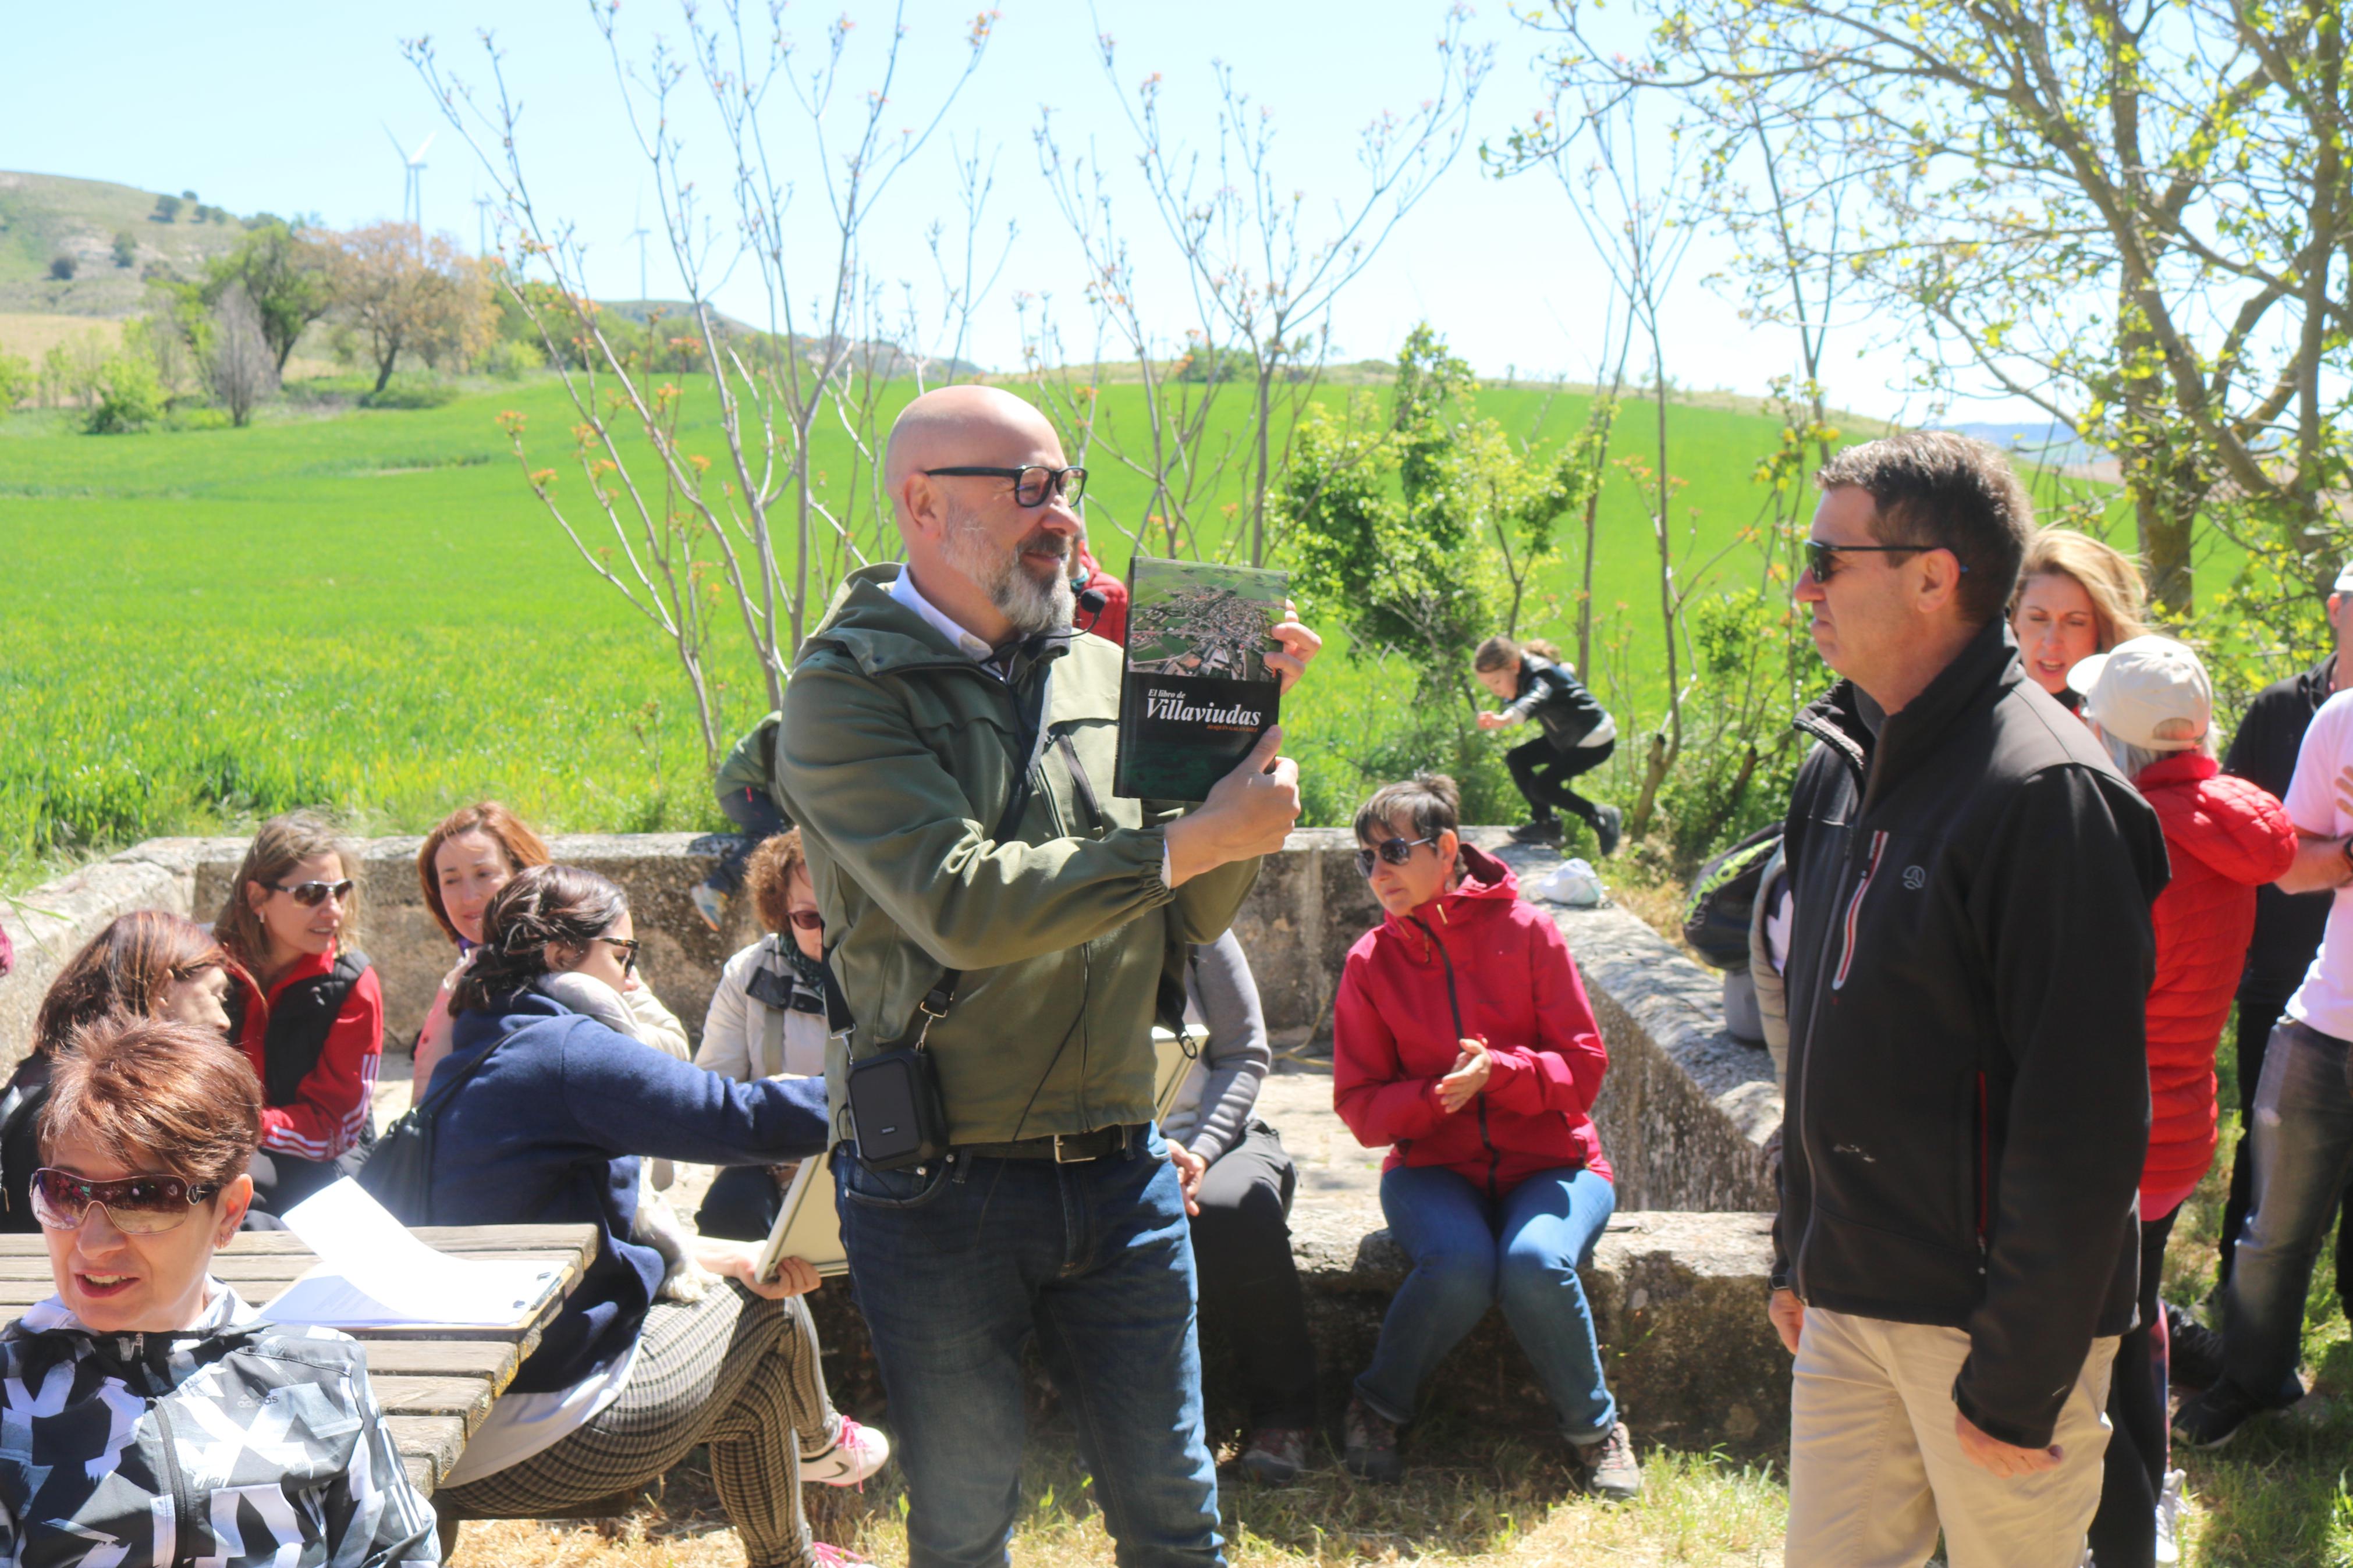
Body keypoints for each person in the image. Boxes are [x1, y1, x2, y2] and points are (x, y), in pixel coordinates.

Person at [778, 382, 1317, 1568]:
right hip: (938, 1182)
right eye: (1025, 486)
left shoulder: (1095, 666)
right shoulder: (842, 691)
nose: (1060, 515)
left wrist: (1237, 753)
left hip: (1121, 1162)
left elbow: (1183, 911)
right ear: (922, 504)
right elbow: (963, 905)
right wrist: (1190, 840)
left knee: (1177, 1517)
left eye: (1063, 486)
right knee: (967, 1523)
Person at [1772, 432, 2167, 1568]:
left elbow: (2083, 1122)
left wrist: (2016, 1375)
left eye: (1823, 557)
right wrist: (1798, 1246)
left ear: (1932, 576)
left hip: (1989, 1326)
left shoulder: (2048, 793)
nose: (1802, 586)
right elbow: (1818, 1025)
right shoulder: (1839, 756)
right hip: (1849, 1296)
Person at [425, 863, 869, 1565]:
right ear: (559, 953)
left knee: (752, 1381)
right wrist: (885, 1087)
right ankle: (825, 1443)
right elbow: (736, 1119)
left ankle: (794, 1559)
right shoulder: (566, 1048)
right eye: (623, 955)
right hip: (542, 1433)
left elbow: (615, 1216)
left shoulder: (481, 1043)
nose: (633, 981)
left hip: (465, 1425)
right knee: (764, 1306)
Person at [0, 1014, 438, 1565]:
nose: (92, 1242)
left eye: (143, 1196)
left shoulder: (321, 1379)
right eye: (66, 1192)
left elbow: (397, 1553)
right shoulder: (10, 1397)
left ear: (229, 1211)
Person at [1329, 772, 1639, 1499]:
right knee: (1460, 1264)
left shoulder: (1528, 931)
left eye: (1393, 852)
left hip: (1556, 1163)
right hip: (1431, 1169)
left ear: (1445, 850)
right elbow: (1360, 1108)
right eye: (1364, 857)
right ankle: (1376, 1406)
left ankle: (1597, 1432)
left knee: (1534, 1263)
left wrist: (1498, 1072)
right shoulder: (1369, 962)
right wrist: (1441, 1096)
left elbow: (1584, 1069)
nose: (1377, 872)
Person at [2065, 638, 2294, 1566]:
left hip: (2106, 1129)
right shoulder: (2226, 830)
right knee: (2138, 1302)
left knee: (2094, 1332)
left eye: (2088, 716)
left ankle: (2114, 1521)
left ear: (2121, 742)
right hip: (2181, 1122)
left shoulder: (2125, 837)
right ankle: (2141, 1507)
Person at [2175, 645, 2353, 1448]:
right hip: (2324, 1023)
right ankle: (2247, 1380)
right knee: (2271, 1233)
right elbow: (2290, 867)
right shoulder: (2338, 721)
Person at [2205, 567, 2353, 1350]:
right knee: (2268, 1202)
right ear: (2335, 611)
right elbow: (2264, 848)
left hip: (2323, 970)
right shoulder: (2291, 711)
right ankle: (2244, 1360)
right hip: (2295, 984)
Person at [1170, 930, 1321, 1485]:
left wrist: (1201, 1152)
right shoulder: (1047, 918)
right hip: (1110, 1147)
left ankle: (1286, 1416)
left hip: (1218, 1138)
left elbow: (1243, 1053)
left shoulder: (1198, 922)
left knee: (1233, 1210)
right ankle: (1166, 1423)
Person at [0, 911, 246, 1232]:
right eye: (215, 994)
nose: (223, 1020)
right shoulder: (110, 1105)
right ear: (162, 990)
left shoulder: (44, 1072)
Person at [212, 811, 386, 1217]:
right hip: (230, 1141)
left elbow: (335, 1129)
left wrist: (244, 1127)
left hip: (322, 1159)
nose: (334, 910)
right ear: (257, 897)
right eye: (311, 893)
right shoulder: (209, 966)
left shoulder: (354, 984)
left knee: (245, 1204)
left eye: (340, 891)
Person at [695, 829, 830, 1242]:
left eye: (845, 911)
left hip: (884, 1165)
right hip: (781, 1167)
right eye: (809, 917)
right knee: (728, 1212)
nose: (828, 929)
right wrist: (775, 1103)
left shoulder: (902, 969)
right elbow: (712, 1096)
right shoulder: (749, 973)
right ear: (781, 908)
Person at [412, 800, 552, 1101]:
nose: (469, 896)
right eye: (451, 880)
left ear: (523, 872)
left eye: (484, 874)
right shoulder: (461, 974)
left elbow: (666, 1042)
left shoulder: (571, 953)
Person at [1473, 635, 1623, 855]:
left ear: (1515, 666)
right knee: (1518, 758)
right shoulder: (1525, 671)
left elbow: (1537, 696)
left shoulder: (1539, 672)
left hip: (1593, 739)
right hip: (1567, 737)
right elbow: (1523, 694)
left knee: (1543, 787)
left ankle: (1599, 814)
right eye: (1489, 686)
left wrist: (1507, 718)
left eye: (1496, 682)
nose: (1495, 690)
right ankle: (1547, 826)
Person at [2008, 528, 2149, 706]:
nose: (2052, 642)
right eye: (2038, 618)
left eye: (2075, 623)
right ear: (2015, 619)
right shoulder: (1977, 699)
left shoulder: (2134, 713)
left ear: (2102, 628)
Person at [693, 713, 794, 931]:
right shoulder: (778, 730)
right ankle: (716, 887)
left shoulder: (799, 727)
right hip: (739, 789)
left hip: (757, 790)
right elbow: (776, 783)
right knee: (769, 835)